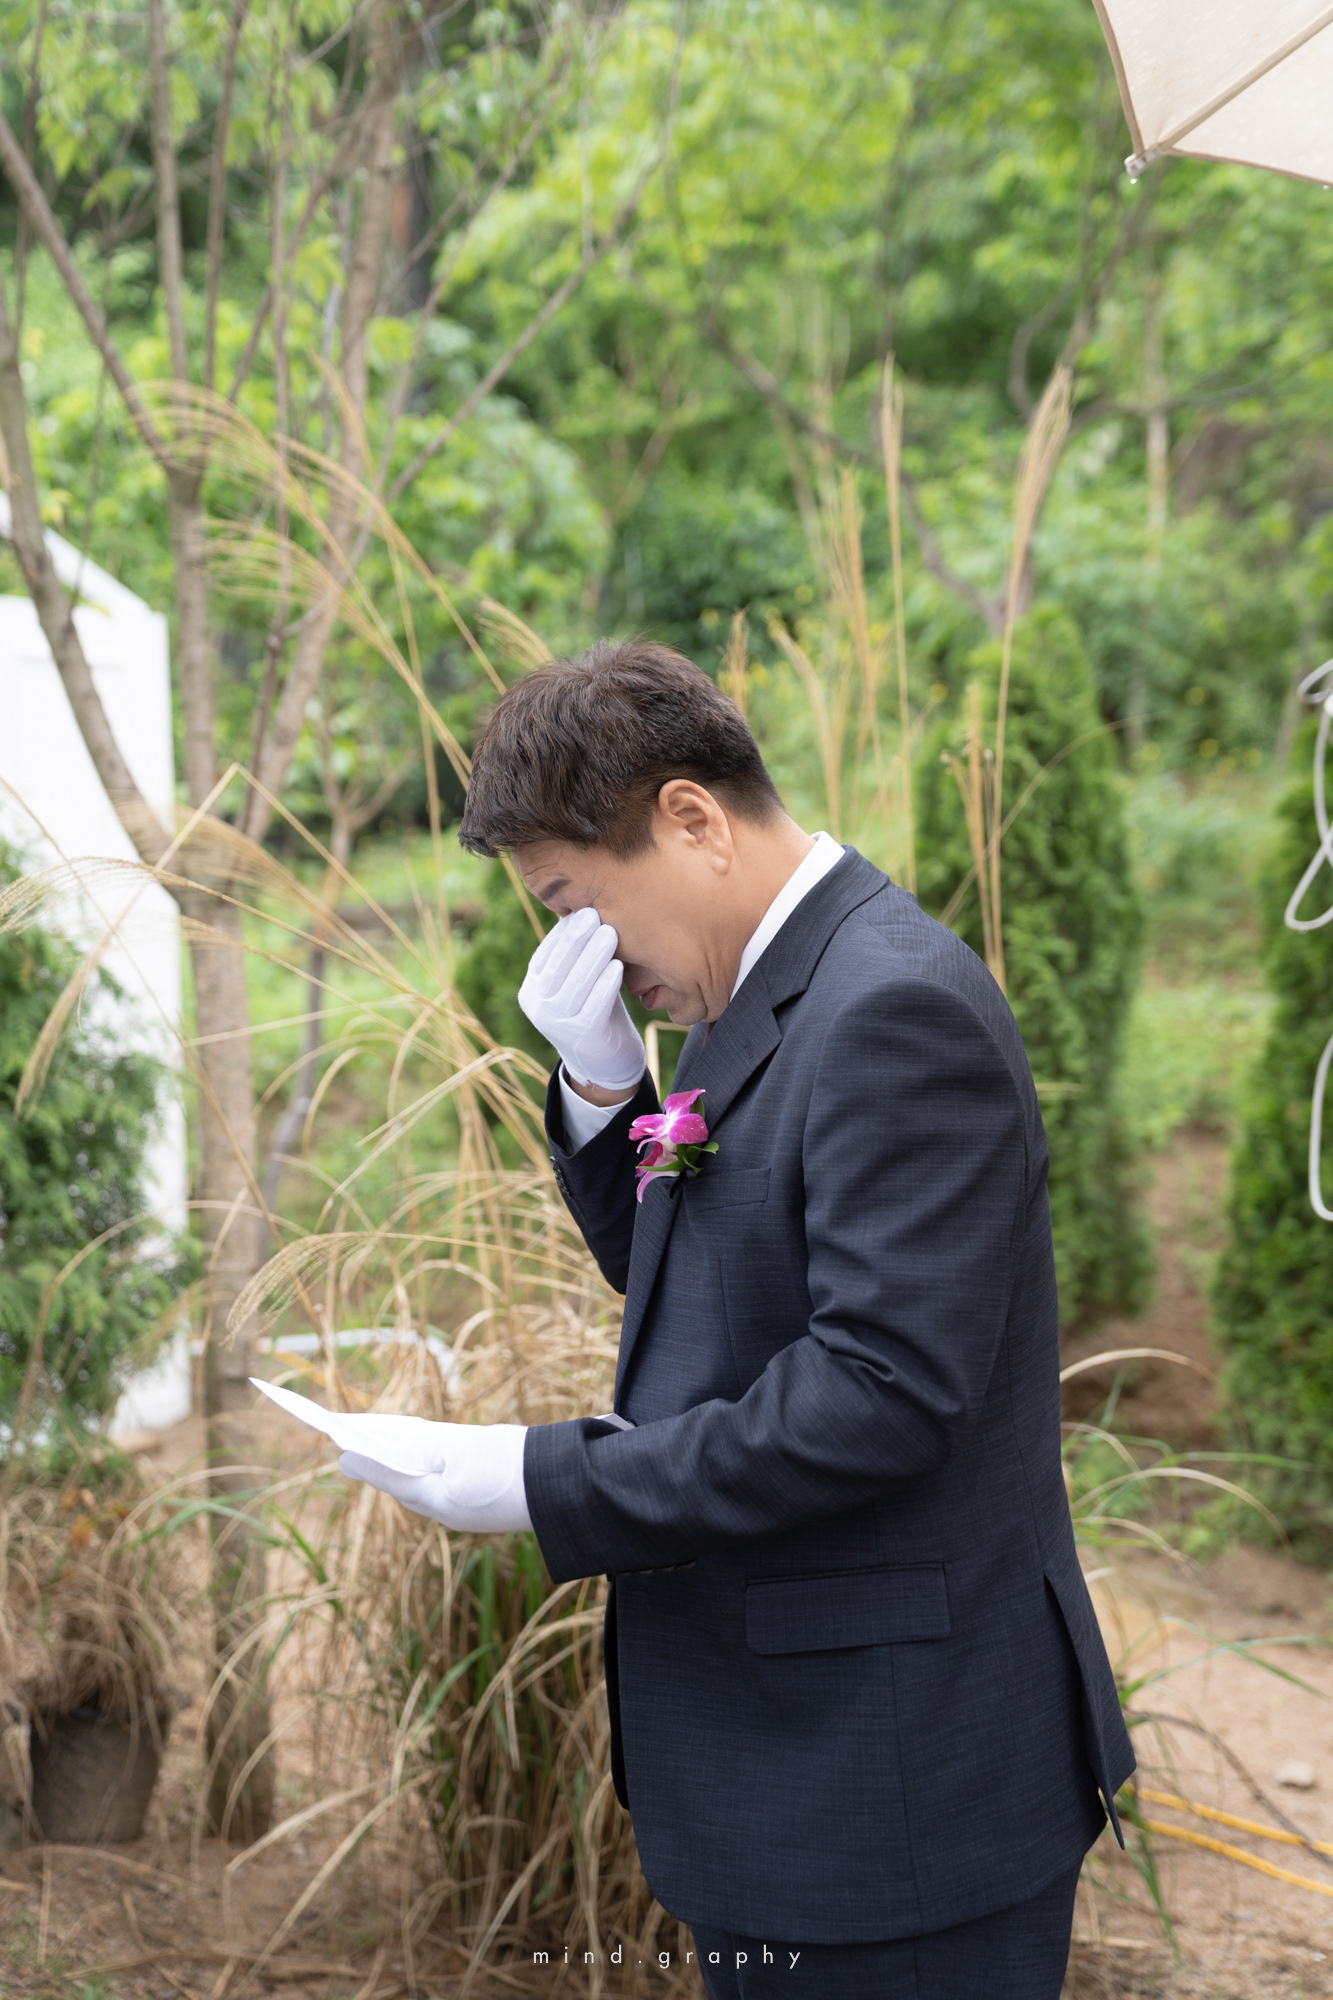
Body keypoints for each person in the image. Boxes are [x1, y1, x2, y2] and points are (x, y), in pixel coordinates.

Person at [337, 639, 1134, 1999]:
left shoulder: (891, 1007)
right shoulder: (757, 980)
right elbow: (701, 1279)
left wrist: (542, 1479)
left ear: (691, 820)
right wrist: (607, 1092)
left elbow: (880, 1393)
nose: (579, 949)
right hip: (805, 1773)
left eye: (574, 901)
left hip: (895, 1790)